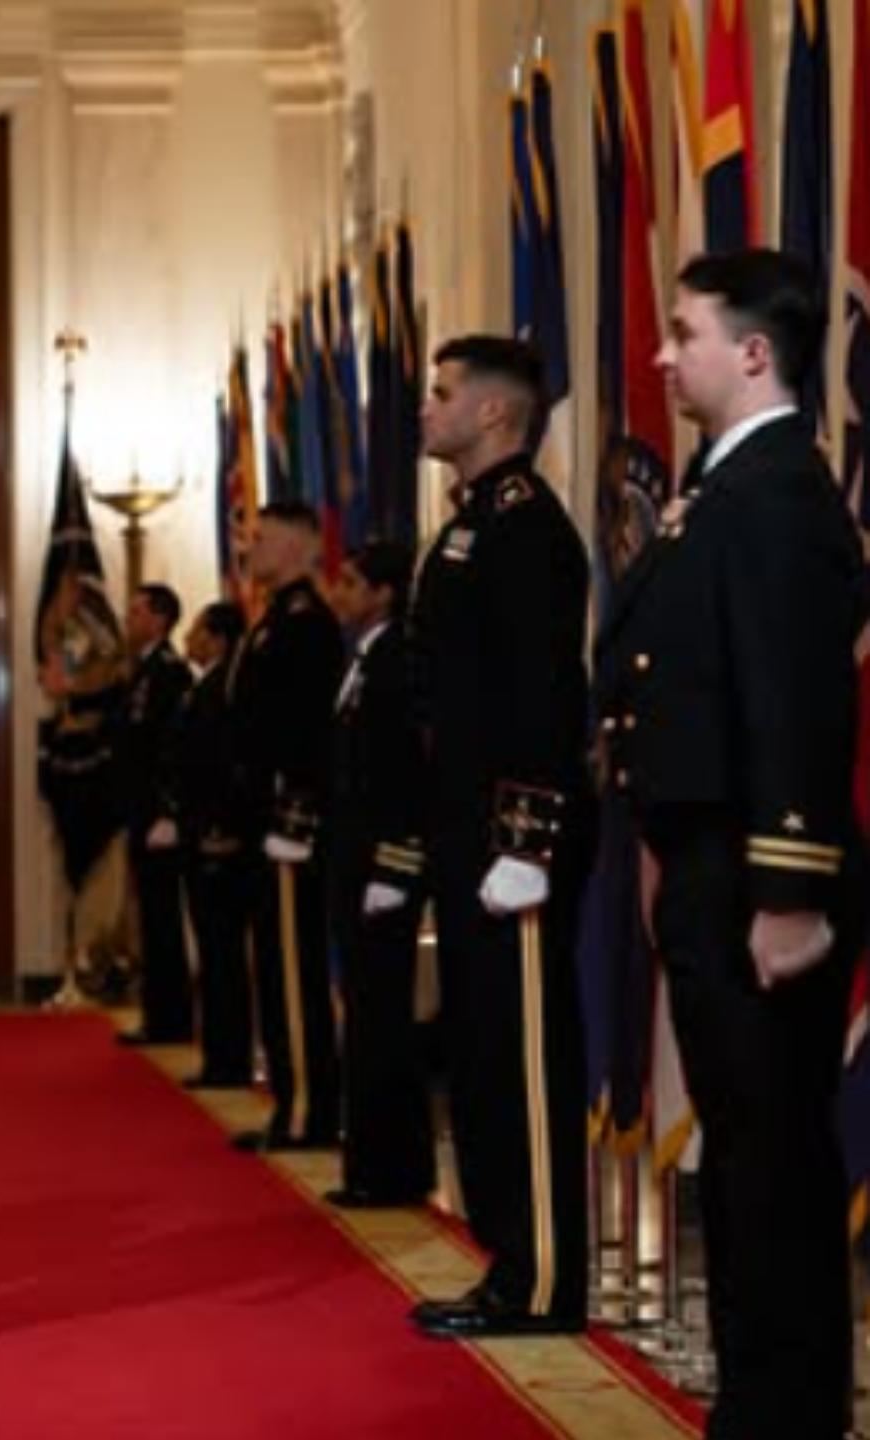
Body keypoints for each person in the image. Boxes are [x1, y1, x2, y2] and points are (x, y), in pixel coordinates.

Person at [602, 250, 863, 1438]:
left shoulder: (777, 502)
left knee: (771, 1172)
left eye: (682, 332)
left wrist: (789, 893)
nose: (661, 355)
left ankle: (785, 1412)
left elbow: (794, 702)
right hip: (709, 872)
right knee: (745, 1166)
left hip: (757, 880)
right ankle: (761, 1400)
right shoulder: (719, 493)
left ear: (752, 354)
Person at [406, 334, 592, 1340]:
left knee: (522, 1067)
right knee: (479, 1064)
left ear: (491, 414)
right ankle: (508, 1267)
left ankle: (543, 1283)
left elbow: (540, 696)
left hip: (509, 845)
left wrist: (527, 840)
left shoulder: (526, 532)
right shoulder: (469, 526)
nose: (425, 409)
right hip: (463, 835)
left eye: (441, 395)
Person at [224, 503, 345, 1151]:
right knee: (271, 966)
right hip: (260, 821)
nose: (251, 547)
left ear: (302, 547)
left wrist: (294, 817)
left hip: (287, 825)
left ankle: (309, 1113)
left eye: (264, 538)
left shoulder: (307, 626)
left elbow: (307, 733)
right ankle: (289, 1103)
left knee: (294, 971)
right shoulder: (273, 620)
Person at [321, 540, 433, 1210]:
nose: (340, 591)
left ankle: (392, 1169)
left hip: (382, 870)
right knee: (365, 1016)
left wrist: (397, 864)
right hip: (355, 862)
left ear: (385, 592)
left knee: (383, 1020)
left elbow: (404, 772)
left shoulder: (397, 659)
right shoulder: (366, 656)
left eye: (352, 581)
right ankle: (373, 1162)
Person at [177, 601, 254, 1091]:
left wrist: (221, 827)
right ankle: (219, 1056)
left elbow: (227, 761)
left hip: (216, 836)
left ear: (219, 638)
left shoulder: (228, 685)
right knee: (212, 949)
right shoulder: (206, 683)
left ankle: (230, 1060)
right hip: (197, 827)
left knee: (224, 953)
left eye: (198, 631)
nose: (190, 638)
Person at [114, 583, 193, 1046]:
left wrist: (168, 811)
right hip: (141, 812)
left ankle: (172, 1020)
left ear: (160, 619)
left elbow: (172, 748)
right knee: (152, 919)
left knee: (163, 921)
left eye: (137, 612)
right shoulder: (143, 670)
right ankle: (160, 1016)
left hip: (159, 817)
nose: (129, 619)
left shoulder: (169, 672)